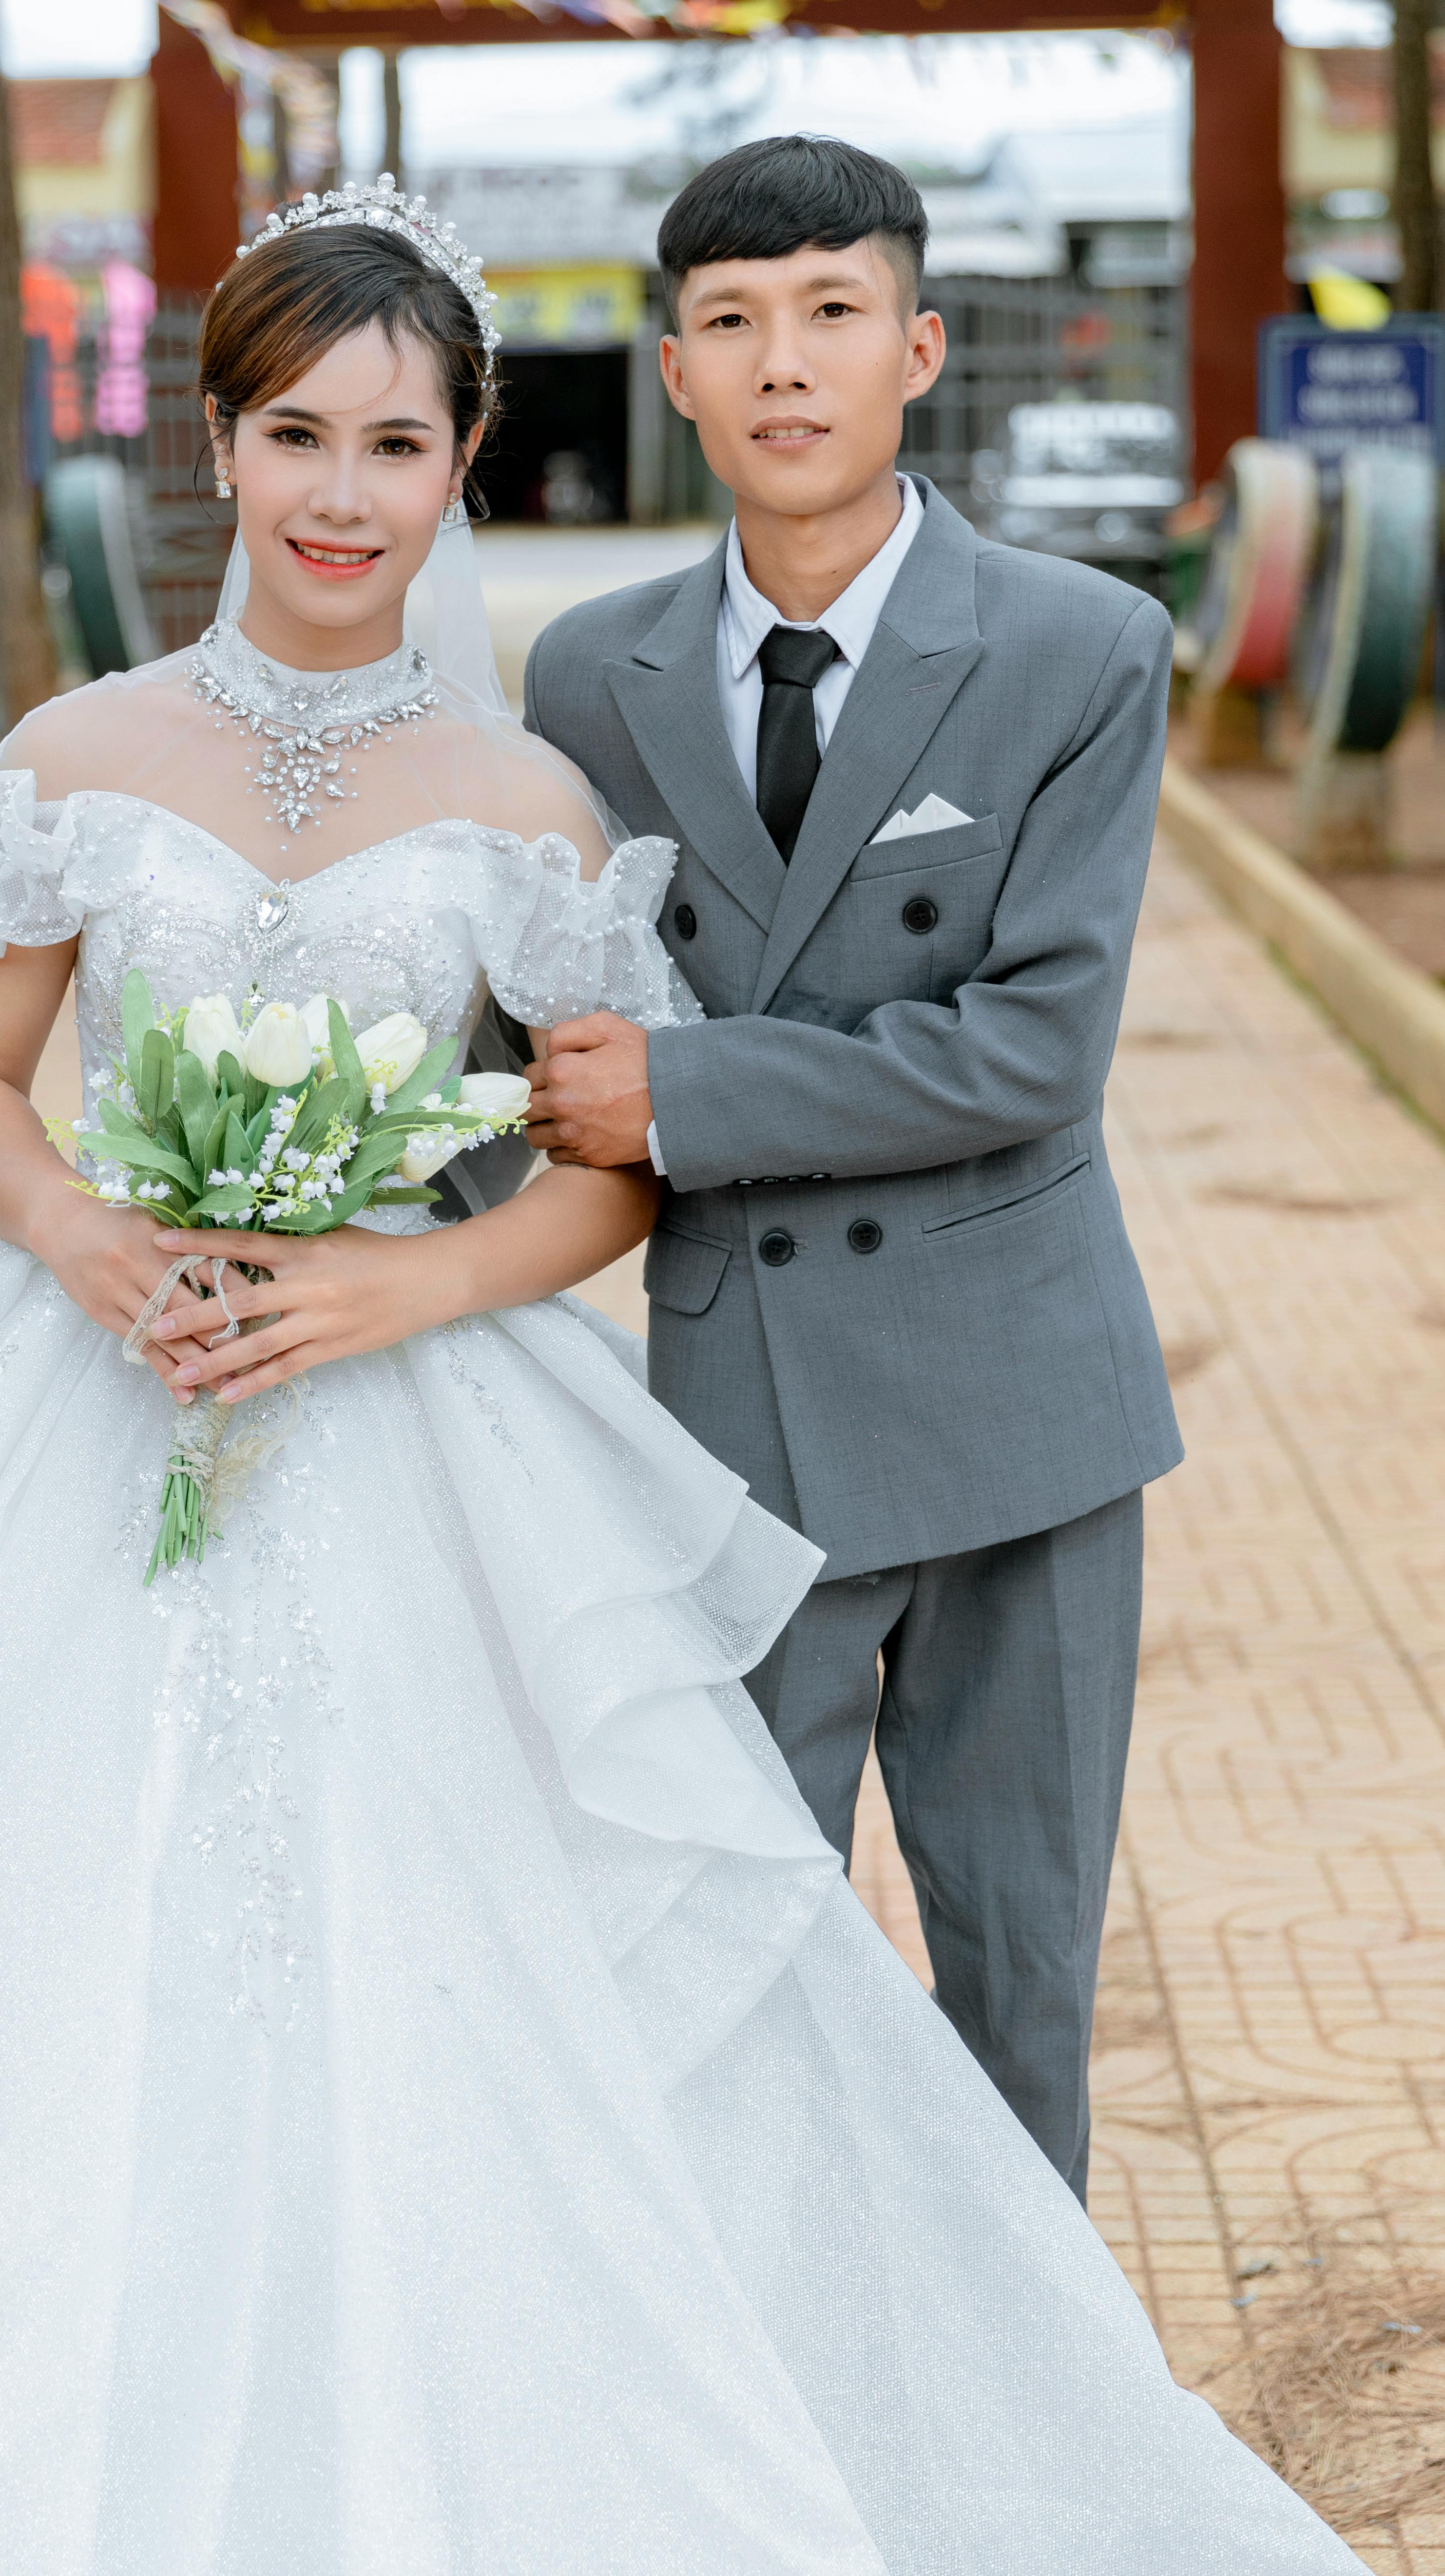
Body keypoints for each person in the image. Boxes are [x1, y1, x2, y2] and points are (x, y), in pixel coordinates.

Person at [0, 181, 1357, 2576]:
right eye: (292, 433)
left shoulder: (534, 789)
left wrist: (392, 1287)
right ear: (219, 439)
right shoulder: (97, 747)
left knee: (592, 1970)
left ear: (467, 456)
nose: (337, 490)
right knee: (2, 1937)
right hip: (98, 1392)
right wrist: (94, 1237)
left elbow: (594, 1157)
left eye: (393, 442)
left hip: (470, 1411)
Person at [521, 134, 1180, 2207]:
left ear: (915, 349)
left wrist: (687, 1100)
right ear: (674, 370)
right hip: (730, 1434)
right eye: (731, 323)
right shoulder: (583, 679)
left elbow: (1025, 1047)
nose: (780, 362)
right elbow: (530, 1035)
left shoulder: (1077, 645)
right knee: (724, 1975)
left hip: (1020, 1417)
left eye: (826, 315)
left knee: (1012, 1990)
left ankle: (1034, 2471)